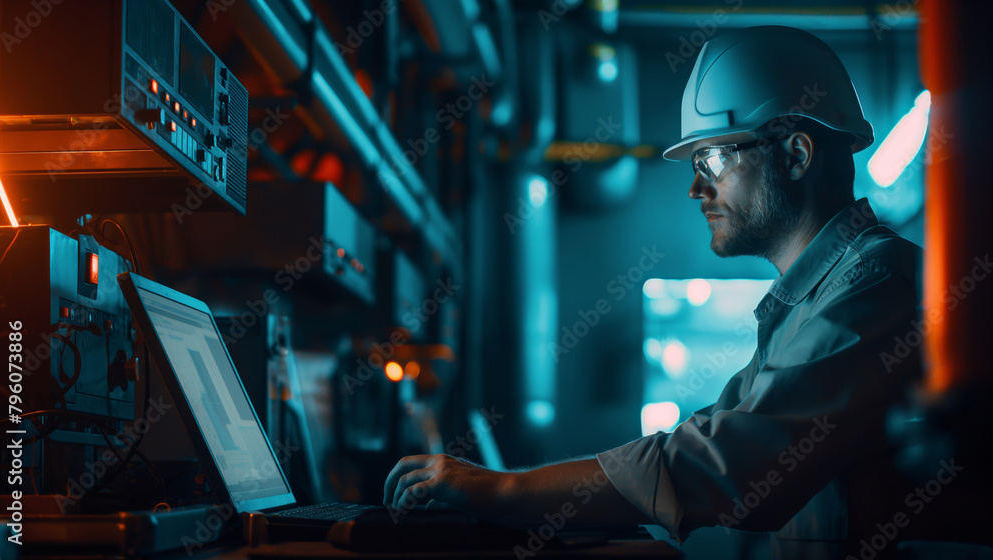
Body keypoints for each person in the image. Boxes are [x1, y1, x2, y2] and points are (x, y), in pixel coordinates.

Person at [384, 26, 922, 559]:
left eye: (711, 160)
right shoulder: (813, 301)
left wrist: (501, 491)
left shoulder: (876, 285)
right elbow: (712, 438)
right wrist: (510, 493)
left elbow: (729, 466)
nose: (695, 188)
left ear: (796, 155)